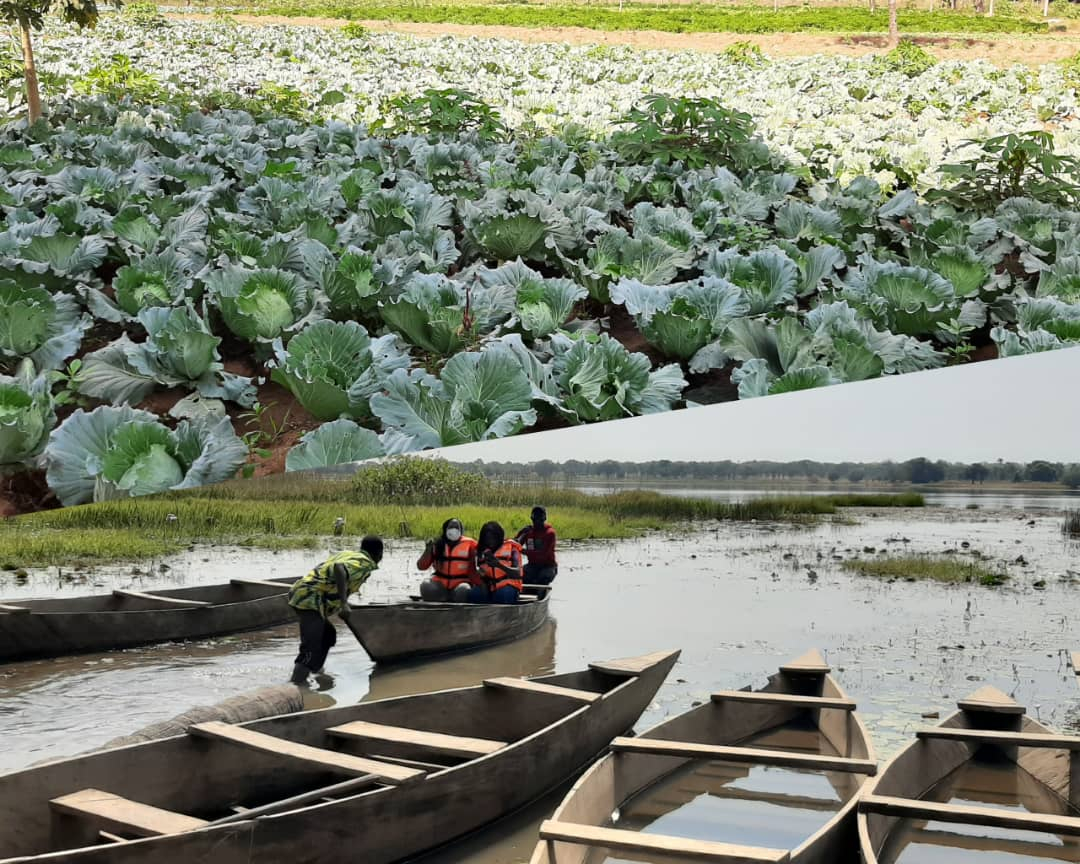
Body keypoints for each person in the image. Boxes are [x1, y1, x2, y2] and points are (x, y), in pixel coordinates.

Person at [287, 536, 383, 684]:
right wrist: (344, 603)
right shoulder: (365, 562)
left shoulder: (349, 554)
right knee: (311, 648)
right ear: (379, 554)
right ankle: (297, 686)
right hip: (310, 598)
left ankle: (316, 671)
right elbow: (339, 568)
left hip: (304, 593)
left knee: (328, 635)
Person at [417, 518, 477, 603]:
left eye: (457, 527)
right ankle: (439, 605)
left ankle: (458, 608)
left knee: (464, 589)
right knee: (425, 585)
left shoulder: (471, 544)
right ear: (445, 529)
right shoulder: (437, 544)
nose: (454, 529)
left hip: (461, 583)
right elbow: (421, 566)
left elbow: (483, 558)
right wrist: (428, 550)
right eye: (451, 527)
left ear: (461, 530)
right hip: (440, 583)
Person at [468, 521, 523, 605]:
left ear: (499, 537)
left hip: (508, 586)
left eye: (493, 538)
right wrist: (482, 582)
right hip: (490, 586)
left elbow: (518, 573)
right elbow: (476, 573)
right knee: (475, 594)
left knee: (502, 595)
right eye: (487, 539)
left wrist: (498, 565)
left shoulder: (512, 549)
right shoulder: (481, 551)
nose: (490, 542)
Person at [514, 506, 557, 585]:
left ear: (544, 518)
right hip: (532, 565)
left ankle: (540, 590)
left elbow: (543, 554)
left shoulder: (550, 533)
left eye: (539, 517)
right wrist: (521, 533)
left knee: (543, 578)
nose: (537, 520)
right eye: (535, 517)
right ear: (532, 518)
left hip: (548, 566)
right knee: (517, 576)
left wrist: (523, 551)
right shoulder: (528, 532)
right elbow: (514, 545)